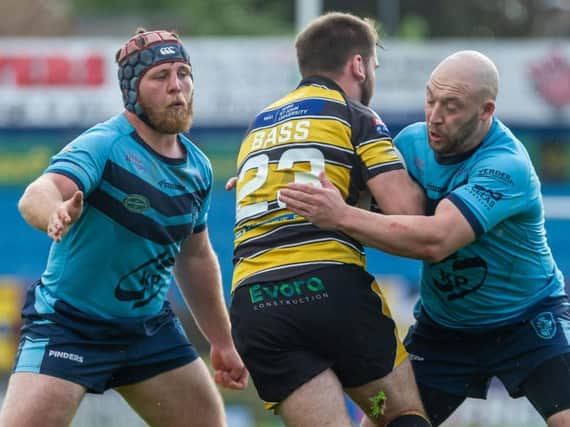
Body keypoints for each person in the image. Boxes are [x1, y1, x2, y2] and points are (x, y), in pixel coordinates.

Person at [279, 50, 570, 427]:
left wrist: (342, 216)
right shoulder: (412, 144)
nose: (434, 116)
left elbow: (436, 241)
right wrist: (277, 189)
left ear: (486, 111)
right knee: (383, 422)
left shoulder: (506, 166)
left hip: (528, 321)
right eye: (430, 99)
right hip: (443, 329)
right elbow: (345, 188)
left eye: (451, 106)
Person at [0, 29, 247, 427]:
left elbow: (196, 257)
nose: (176, 86)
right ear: (132, 90)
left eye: (184, 73)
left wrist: (222, 341)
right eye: (160, 76)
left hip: (147, 330)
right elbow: (37, 194)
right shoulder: (105, 144)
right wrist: (55, 214)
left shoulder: (198, 167)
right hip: (70, 326)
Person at [229, 11, 431, 427]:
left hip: (255, 305)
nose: (371, 74)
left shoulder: (259, 127)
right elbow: (407, 213)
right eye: (373, 65)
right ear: (358, 64)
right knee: (399, 413)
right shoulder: (353, 114)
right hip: (326, 290)